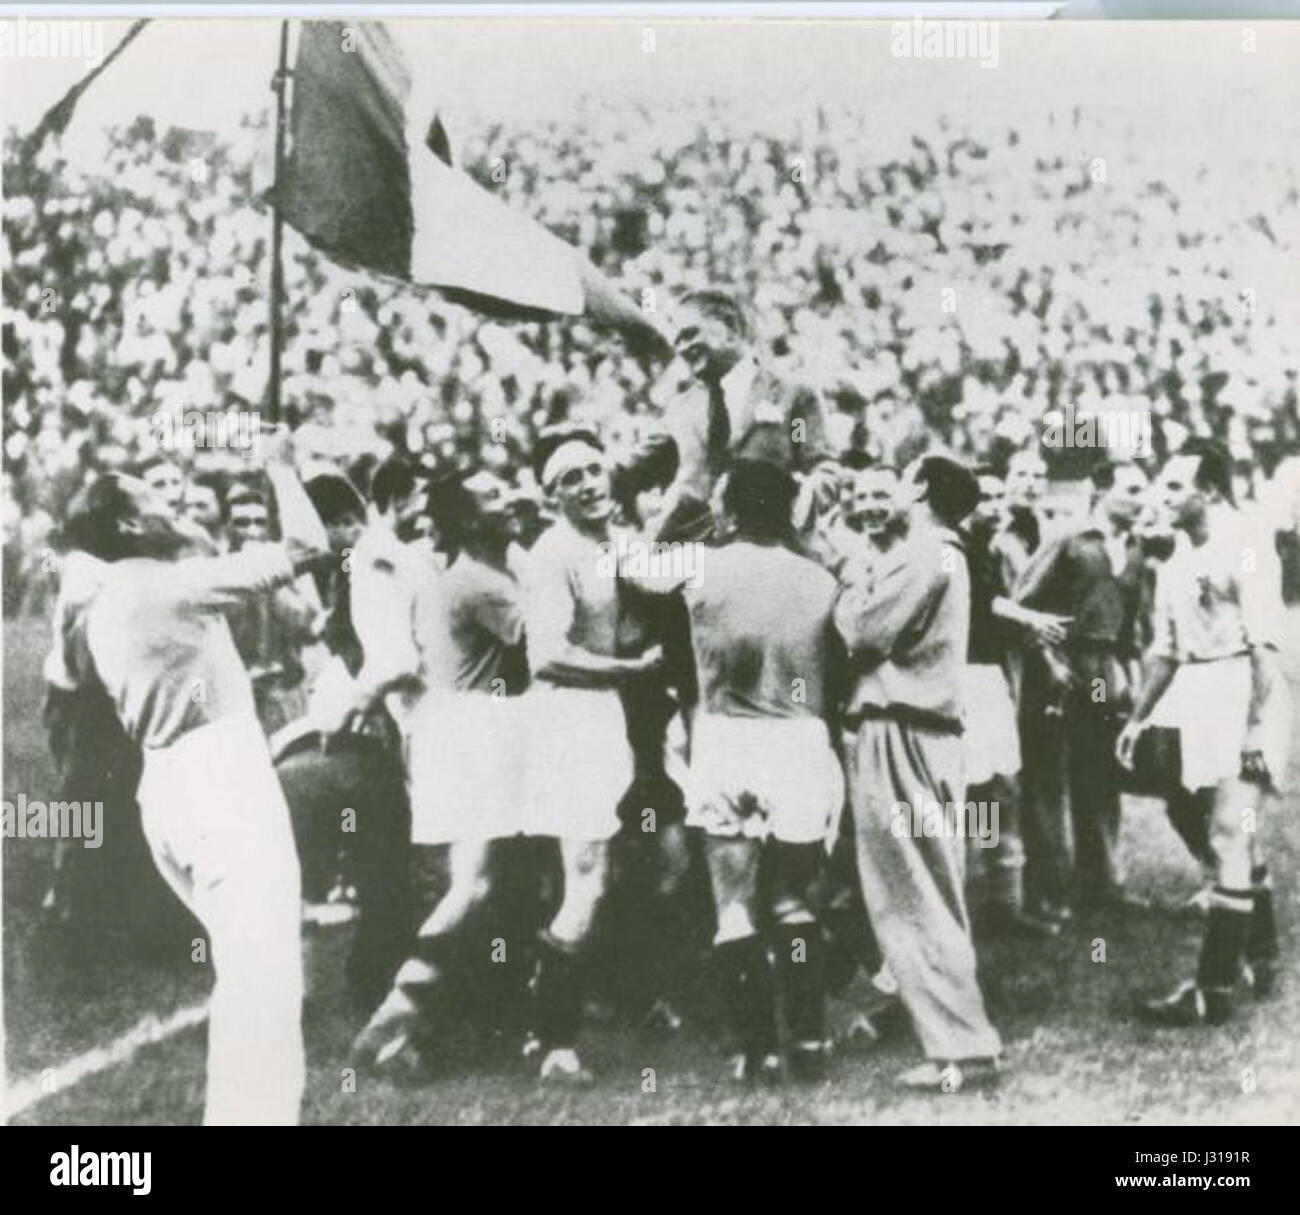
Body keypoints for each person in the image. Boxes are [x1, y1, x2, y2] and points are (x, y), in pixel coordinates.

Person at [66, 427, 329, 1125]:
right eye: (155, 494)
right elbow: (310, 546)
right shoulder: (169, 584)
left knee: (247, 972)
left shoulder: (113, 593)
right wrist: (281, 468)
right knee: (266, 979)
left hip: (171, 785)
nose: (174, 496)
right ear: (129, 522)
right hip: (220, 776)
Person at [352, 469, 531, 1066]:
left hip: (450, 729)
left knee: (473, 883)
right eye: (495, 495)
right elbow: (549, 643)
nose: (513, 498)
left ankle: (421, 1029)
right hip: (476, 731)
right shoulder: (481, 583)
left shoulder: (463, 576)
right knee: (473, 884)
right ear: (465, 521)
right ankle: (397, 1013)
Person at [834, 454, 1002, 1091]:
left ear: (923, 488)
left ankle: (959, 1049)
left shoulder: (925, 548)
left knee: (909, 893)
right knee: (932, 886)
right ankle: (964, 1041)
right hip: (928, 731)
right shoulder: (944, 551)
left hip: (901, 727)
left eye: (903, 479)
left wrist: (852, 575)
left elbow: (862, 632)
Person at [679, 459, 845, 1081]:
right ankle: (808, 1042)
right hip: (801, 740)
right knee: (793, 899)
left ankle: (757, 1051)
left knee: (735, 905)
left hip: (729, 738)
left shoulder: (700, 568)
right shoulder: (820, 579)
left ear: (729, 507)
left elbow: (632, 567)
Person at [1117, 441, 1290, 1025]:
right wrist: (1138, 717)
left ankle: (1211, 990)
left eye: (1174, 488)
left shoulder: (1246, 548)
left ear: (1209, 491)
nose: (1162, 499)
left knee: (1227, 834)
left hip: (1240, 691)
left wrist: (1256, 733)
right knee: (1188, 813)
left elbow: (1266, 648)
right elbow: (1164, 652)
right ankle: (1260, 947)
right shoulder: (1175, 562)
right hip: (1192, 696)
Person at [517, 428, 663, 1082]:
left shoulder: (614, 540)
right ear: (552, 496)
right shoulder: (554, 552)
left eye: (595, 469)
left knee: (611, 869)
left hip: (607, 718)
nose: (589, 483)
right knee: (585, 875)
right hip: (570, 720)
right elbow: (545, 654)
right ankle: (554, 1042)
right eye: (571, 477)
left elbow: (667, 570)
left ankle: (560, 1017)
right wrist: (630, 667)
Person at [1011, 460, 1150, 920]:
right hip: (1058, 669)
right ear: (1102, 491)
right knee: (1047, 780)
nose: (1141, 499)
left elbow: (1130, 620)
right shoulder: (1067, 538)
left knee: (1099, 774)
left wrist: (1127, 669)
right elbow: (1021, 605)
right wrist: (1046, 658)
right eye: (1132, 489)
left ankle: (1102, 884)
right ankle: (1047, 891)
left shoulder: (1135, 547)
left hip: (1102, 674)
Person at [653, 290, 832, 542]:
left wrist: (809, 495)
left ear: (729, 327)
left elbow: (815, 462)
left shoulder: (790, 398)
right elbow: (637, 469)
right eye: (677, 341)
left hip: (772, 551)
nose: (683, 348)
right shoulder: (680, 410)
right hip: (701, 564)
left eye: (690, 334)